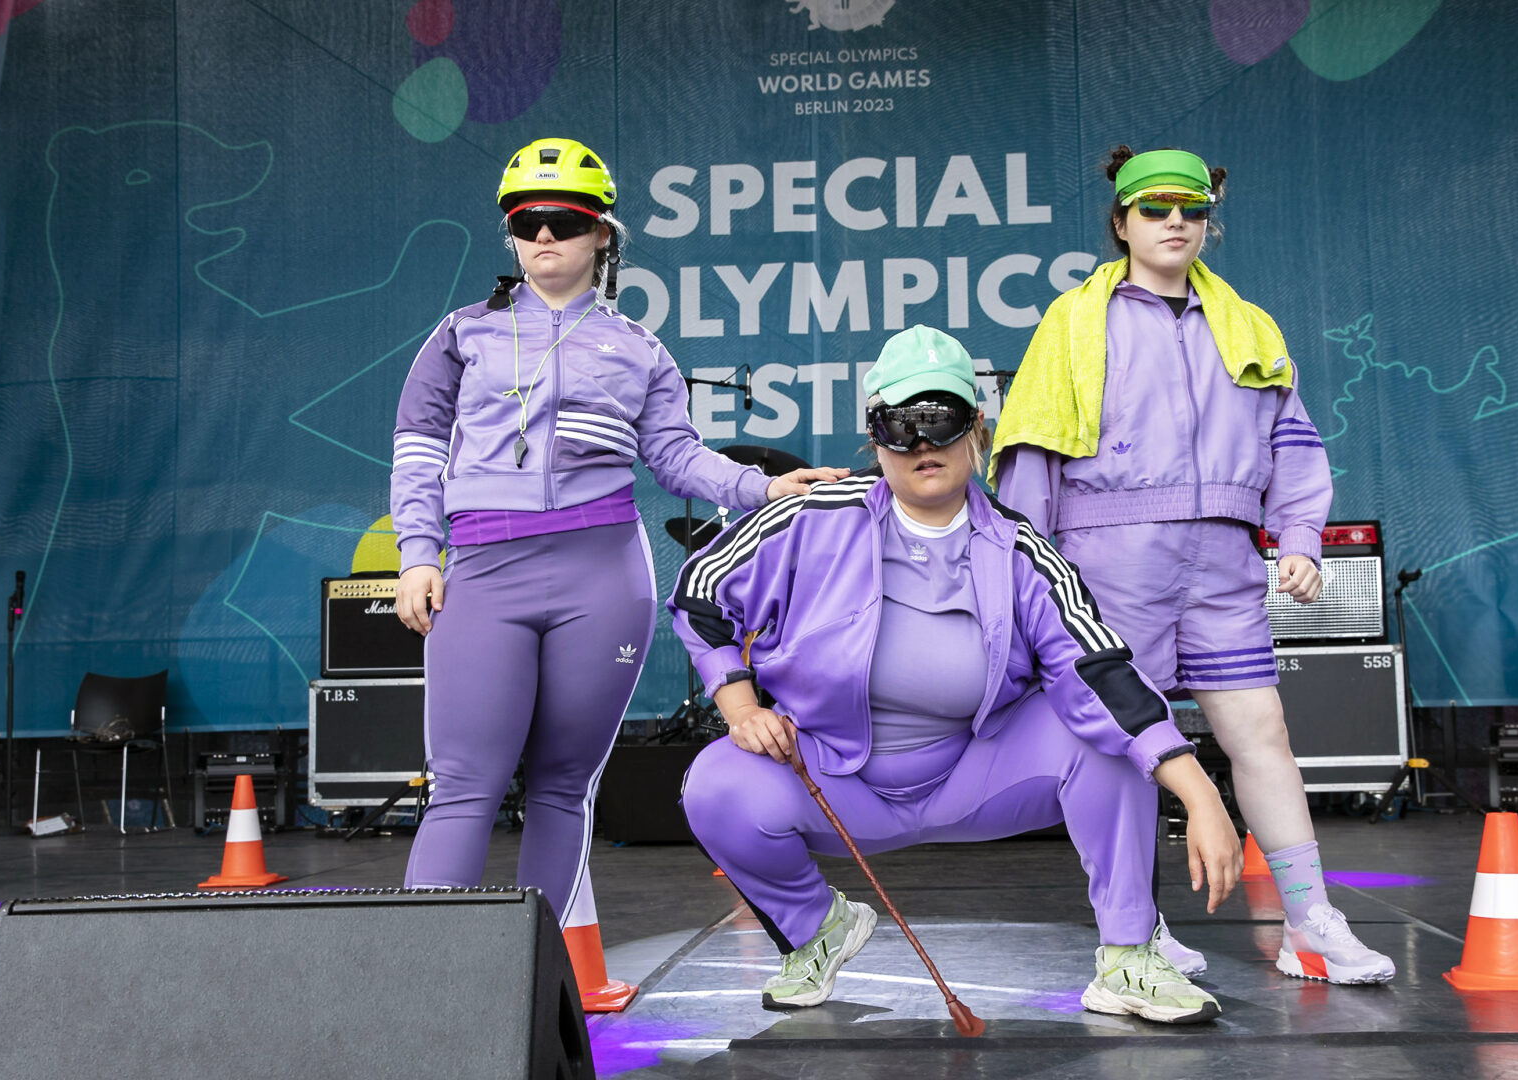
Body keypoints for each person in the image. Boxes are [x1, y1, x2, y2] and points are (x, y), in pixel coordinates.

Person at [671, 325, 1242, 1024]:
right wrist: (738, 704)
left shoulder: (1022, 550)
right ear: (873, 437)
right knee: (716, 784)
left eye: (938, 421)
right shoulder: (808, 517)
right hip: (831, 780)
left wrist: (1199, 792)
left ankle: (1129, 956)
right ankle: (815, 926)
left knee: (1106, 736)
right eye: (899, 425)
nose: (920, 447)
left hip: (976, 776)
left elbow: (1097, 669)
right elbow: (701, 589)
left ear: (976, 427)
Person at [390, 137, 846, 918]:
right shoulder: (460, 332)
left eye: (563, 220)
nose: (542, 237)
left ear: (602, 232)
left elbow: (674, 456)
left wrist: (763, 487)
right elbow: (417, 448)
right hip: (484, 567)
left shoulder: (639, 348)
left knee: (566, 787)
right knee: (465, 784)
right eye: (524, 220)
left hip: (601, 572)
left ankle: (537, 982)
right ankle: (423, 992)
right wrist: (416, 554)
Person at [990, 146, 1394, 984]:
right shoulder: (1074, 321)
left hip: (1222, 562)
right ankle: (1135, 928)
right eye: (1156, 207)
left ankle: (1311, 923)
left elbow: (1293, 441)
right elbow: (1031, 450)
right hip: (1107, 559)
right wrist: (1026, 571)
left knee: (1263, 733)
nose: (1176, 221)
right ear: (1122, 221)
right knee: (1121, 744)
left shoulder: (1249, 325)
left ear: (1209, 220)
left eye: (1192, 208)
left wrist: (1302, 539)